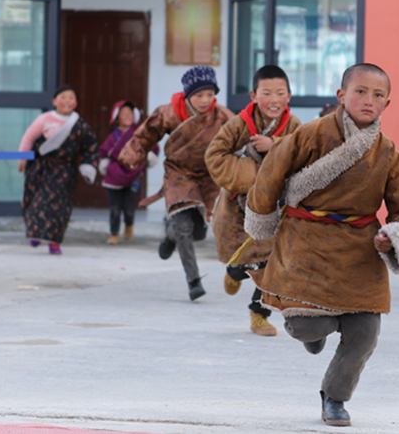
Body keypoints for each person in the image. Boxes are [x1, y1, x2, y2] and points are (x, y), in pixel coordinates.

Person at [243, 63, 399, 426]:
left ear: (387, 103)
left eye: (377, 95)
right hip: (305, 242)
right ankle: (316, 332)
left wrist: (393, 237)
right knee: (304, 327)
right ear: (341, 96)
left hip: (360, 247)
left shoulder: (387, 152)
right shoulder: (310, 135)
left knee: (365, 334)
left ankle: (335, 398)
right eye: (360, 91)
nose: (368, 100)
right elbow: (271, 173)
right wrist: (263, 218)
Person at [119, 66, 234, 301]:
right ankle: (193, 280)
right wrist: (133, 154)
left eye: (210, 95)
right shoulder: (168, 112)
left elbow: (242, 136)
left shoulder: (223, 116)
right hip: (178, 173)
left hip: (208, 177)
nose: (205, 101)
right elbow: (146, 134)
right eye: (199, 95)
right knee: (184, 226)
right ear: (188, 95)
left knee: (198, 232)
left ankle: (170, 235)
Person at [205, 64, 300, 336]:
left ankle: (259, 314)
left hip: (275, 210)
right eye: (266, 93)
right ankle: (233, 272)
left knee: (270, 266)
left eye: (280, 93)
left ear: (289, 96)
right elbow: (214, 156)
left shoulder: (294, 127)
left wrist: (277, 146)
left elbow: (307, 154)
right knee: (240, 262)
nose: (274, 99)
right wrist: (256, 175)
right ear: (253, 95)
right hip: (238, 210)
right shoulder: (237, 125)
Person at [18, 85, 98, 255]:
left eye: (71, 97)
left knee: (59, 208)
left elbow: (91, 145)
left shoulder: (80, 126)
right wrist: (23, 157)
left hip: (64, 172)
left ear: (76, 103)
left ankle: (54, 243)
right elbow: (29, 137)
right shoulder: (44, 119)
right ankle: (35, 233)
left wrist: (88, 166)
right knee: (35, 203)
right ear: (55, 101)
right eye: (63, 97)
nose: (67, 101)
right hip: (41, 169)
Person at [99, 100, 159, 245]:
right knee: (114, 208)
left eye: (130, 113)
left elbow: (152, 147)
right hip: (114, 175)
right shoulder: (113, 136)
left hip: (134, 175)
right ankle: (114, 234)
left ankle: (129, 224)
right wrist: (104, 163)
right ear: (116, 117)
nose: (127, 115)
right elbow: (104, 152)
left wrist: (150, 156)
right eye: (123, 113)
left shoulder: (140, 133)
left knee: (129, 207)